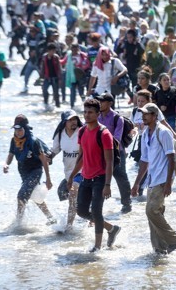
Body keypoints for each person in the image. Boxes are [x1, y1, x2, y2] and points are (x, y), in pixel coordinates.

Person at [67, 98, 121, 252]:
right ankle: (111, 228)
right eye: (85, 112)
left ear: (98, 114)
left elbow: (109, 162)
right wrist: (71, 177)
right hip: (85, 177)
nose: (86, 115)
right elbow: (81, 157)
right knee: (82, 211)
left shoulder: (104, 134)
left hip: (100, 178)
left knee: (97, 211)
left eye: (90, 112)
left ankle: (97, 246)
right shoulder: (82, 131)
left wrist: (108, 185)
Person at [131, 103, 176, 254]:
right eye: (142, 114)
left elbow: (171, 158)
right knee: (154, 215)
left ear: (155, 116)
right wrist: (136, 184)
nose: (143, 117)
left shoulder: (164, 132)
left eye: (146, 114)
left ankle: (174, 239)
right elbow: (144, 161)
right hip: (151, 179)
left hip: (162, 179)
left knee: (151, 211)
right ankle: (159, 249)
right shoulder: (146, 133)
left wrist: (169, 183)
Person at [3, 114, 56, 225]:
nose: (18, 132)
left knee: (21, 195)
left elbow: (44, 161)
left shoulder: (33, 142)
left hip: (35, 171)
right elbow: (11, 154)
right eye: (16, 129)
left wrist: (48, 179)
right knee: (35, 195)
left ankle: (18, 223)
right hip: (23, 172)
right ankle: (51, 218)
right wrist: (6, 164)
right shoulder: (14, 140)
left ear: (25, 129)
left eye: (20, 129)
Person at [96, 93, 132, 214]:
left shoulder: (118, 118)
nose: (100, 103)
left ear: (110, 103)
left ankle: (127, 204)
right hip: (100, 153)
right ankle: (95, 207)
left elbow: (116, 139)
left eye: (103, 101)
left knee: (121, 177)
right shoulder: (96, 116)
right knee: (97, 179)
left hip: (117, 153)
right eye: (99, 101)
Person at [51, 110, 83, 232]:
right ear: (64, 122)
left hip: (82, 171)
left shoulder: (82, 132)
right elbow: (54, 150)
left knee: (73, 195)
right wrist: (46, 158)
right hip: (68, 173)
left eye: (75, 119)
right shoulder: (60, 134)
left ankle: (68, 227)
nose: (73, 122)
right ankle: (88, 217)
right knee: (75, 200)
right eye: (70, 120)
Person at [41, 42, 62, 111]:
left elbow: (59, 68)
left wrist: (60, 78)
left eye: (54, 51)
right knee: (44, 90)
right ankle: (46, 103)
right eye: (52, 51)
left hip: (55, 78)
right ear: (48, 50)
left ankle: (58, 106)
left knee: (56, 93)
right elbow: (43, 67)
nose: (53, 52)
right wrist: (41, 76)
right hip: (47, 77)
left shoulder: (56, 57)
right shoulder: (44, 57)